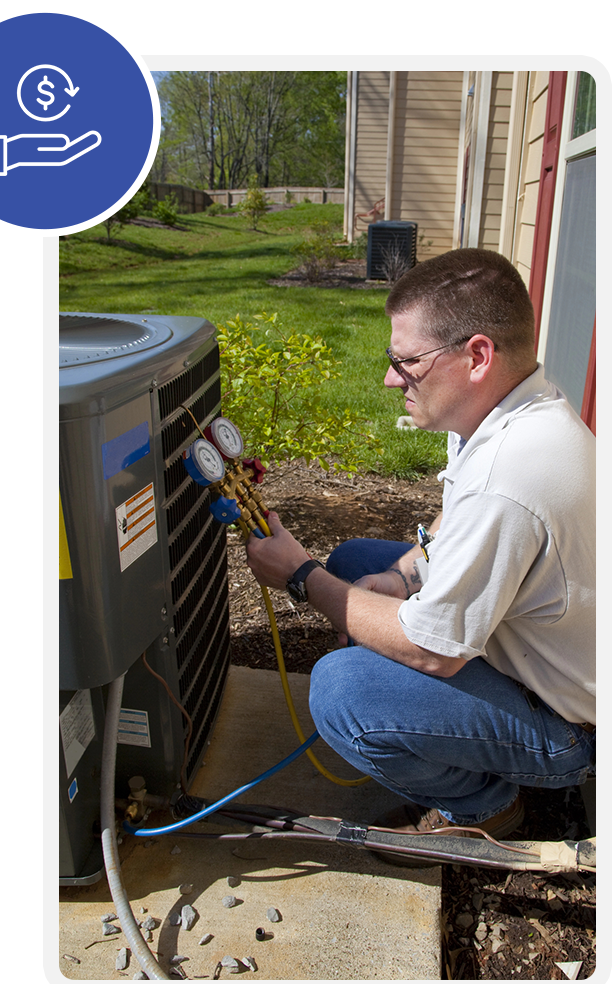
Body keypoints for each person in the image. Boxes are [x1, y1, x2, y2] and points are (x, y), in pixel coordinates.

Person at [245, 248, 595, 840]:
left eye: (406, 361)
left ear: (477, 356)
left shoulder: (508, 476)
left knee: (341, 690)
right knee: (358, 561)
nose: (389, 378)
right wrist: (402, 576)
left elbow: (436, 653)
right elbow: (454, 529)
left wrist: (302, 576)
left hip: (573, 727)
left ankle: (485, 809)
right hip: (548, 648)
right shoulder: (515, 412)